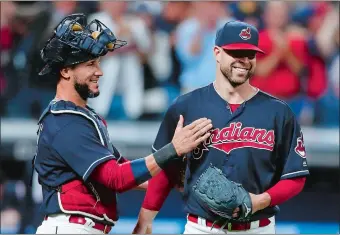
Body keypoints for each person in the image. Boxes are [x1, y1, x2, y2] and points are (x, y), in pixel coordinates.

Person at [32, 13, 213, 234]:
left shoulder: (82, 116)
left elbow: (125, 172)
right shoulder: (65, 121)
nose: (99, 71)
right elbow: (115, 179)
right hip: (70, 227)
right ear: (65, 71)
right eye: (90, 64)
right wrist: (173, 149)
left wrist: (179, 180)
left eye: (98, 62)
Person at [133, 20, 310, 234]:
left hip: (257, 228)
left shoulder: (279, 112)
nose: (243, 61)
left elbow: (295, 176)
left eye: (250, 54)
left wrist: (260, 201)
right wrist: (145, 220)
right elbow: (165, 169)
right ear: (217, 53)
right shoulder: (187, 106)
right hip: (202, 228)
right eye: (235, 53)